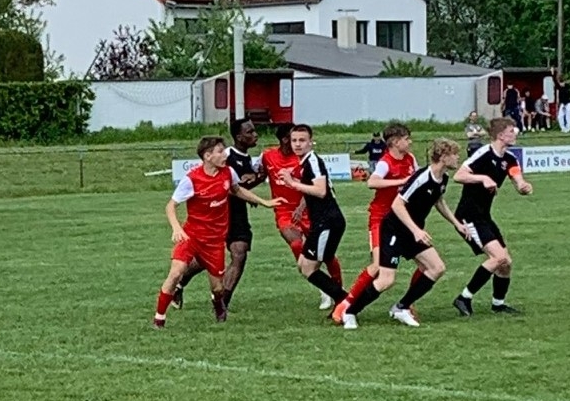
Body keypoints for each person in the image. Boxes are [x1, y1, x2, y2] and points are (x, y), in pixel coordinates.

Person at [340, 139, 470, 329]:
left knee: (437, 268)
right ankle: (350, 312)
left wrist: (457, 224)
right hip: (394, 230)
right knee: (386, 280)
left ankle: (401, 307)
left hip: (412, 232)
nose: (458, 157)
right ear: (443, 156)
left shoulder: (443, 178)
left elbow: (438, 201)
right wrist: (416, 230)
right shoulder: (422, 177)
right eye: (454, 154)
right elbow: (397, 204)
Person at [152, 136, 277, 328]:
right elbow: (171, 206)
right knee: (176, 272)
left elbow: (237, 190)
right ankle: (159, 319)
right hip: (191, 236)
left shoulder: (228, 173)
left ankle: (218, 305)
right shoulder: (192, 179)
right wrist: (176, 228)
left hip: (215, 241)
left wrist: (264, 202)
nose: (225, 155)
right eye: (220, 151)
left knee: (218, 288)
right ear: (207, 156)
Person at [172, 117, 264, 308]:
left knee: (239, 254)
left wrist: (257, 181)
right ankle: (179, 284)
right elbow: (226, 186)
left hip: (238, 215)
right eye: (250, 132)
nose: (255, 135)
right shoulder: (225, 156)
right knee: (204, 260)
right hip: (218, 215)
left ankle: (222, 302)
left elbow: (238, 186)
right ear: (239, 137)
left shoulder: (246, 158)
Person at [450, 117, 533, 316]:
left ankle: (498, 304)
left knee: (506, 263)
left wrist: (524, 186)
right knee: (498, 257)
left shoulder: (510, 159)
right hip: (468, 216)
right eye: (512, 131)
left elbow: (518, 180)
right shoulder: (483, 154)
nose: (515, 134)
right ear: (500, 135)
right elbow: (458, 176)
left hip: (484, 216)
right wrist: (483, 178)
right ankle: (464, 298)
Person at [260, 122, 346, 310]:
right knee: (304, 265)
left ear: (310, 142)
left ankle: (345, 302)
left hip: (327, 221)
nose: (297, 144)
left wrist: (292, 183)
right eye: (294, 140)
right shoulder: (302, 161)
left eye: (302, 140)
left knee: (309, 267)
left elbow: (321, 191)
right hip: (321, 221)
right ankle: (341, 299)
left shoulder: (312, 161)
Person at [334, 123, 416, 319]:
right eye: (406, 139)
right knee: (378, 266)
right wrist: (401, 181)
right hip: (382, 219)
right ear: (395, 142)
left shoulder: (410, 159)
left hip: (403, 219)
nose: (410, 142)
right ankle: (346, 304)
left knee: (430, 264)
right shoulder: (385, 162)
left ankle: (406, 305)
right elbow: (372, 182)